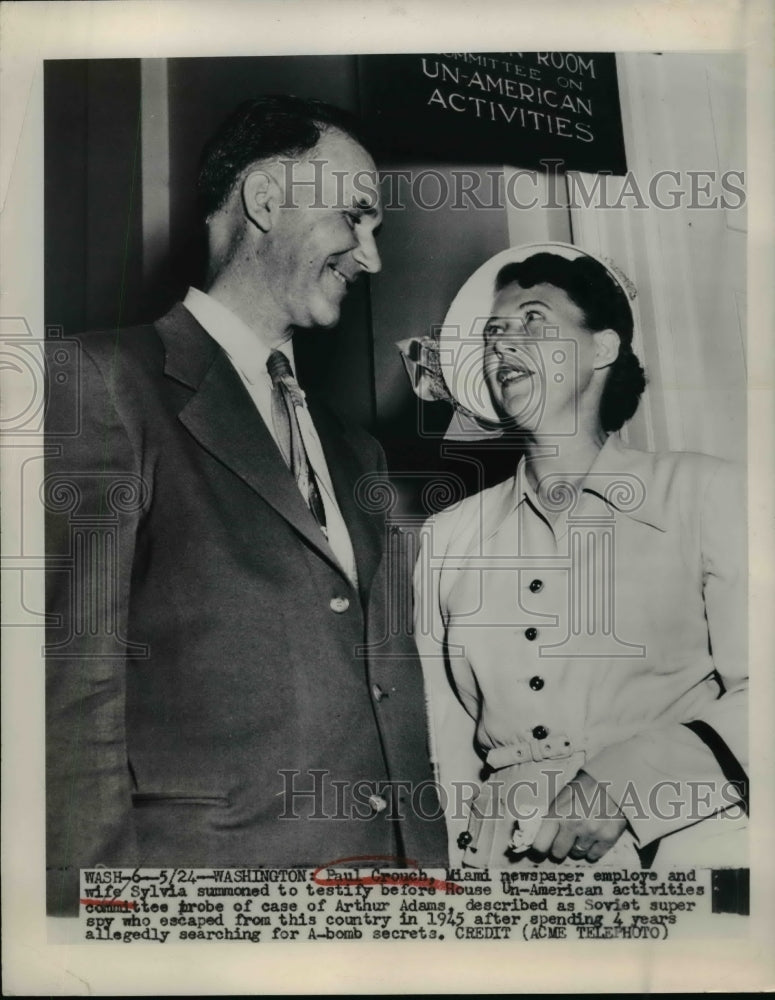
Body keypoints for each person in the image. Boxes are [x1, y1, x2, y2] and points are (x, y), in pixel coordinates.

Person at [45, 95, 444, 916]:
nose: (370, 257)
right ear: (266, 200)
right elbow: (70, 686)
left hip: (383, 902)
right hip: (201, 905)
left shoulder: (355, 449)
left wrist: (430, 881)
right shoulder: (100, 381)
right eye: (355, 218)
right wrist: (91, 922)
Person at [409, 243, 747, 869]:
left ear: (603, 349)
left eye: (534, 321)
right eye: (494, 333)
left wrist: (632, 780)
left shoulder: (704, 492)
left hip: (685, 855)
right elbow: (441, 744)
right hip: (506, 874)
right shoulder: (447, 536)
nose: (504, 344)